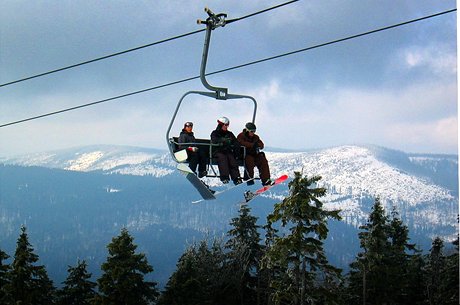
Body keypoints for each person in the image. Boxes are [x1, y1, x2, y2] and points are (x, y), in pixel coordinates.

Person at [210, 117, 243, 185]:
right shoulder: (215, 133)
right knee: (223, 158)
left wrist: (237, 152)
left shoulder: (229, 134)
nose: (226, 126)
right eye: (225, 125)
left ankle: (236, 178)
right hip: (218, 151)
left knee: (232, 159)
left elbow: (235, 142)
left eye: (227, 125)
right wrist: (223, 140)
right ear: (221, 124)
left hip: (227, 151)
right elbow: (214, 140)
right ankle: (224, 177)